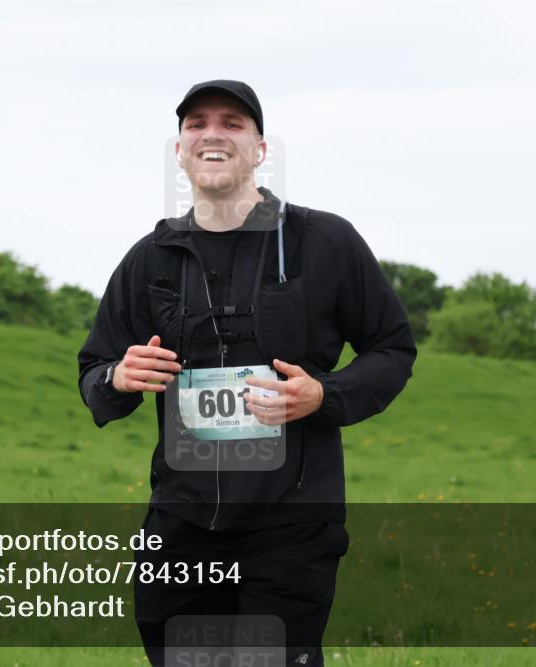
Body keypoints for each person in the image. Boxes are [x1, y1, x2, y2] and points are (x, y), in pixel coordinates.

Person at [78, 80, 416, 666]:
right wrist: (118, 377)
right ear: (180, 149)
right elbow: (94, 373)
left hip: (291, 526)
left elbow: (392, 349)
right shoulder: (148, 259)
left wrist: (324, 395)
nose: (213, 133)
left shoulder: (323, 241)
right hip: (179, 525)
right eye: (196, 124)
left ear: (261, 148)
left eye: (233, 123)